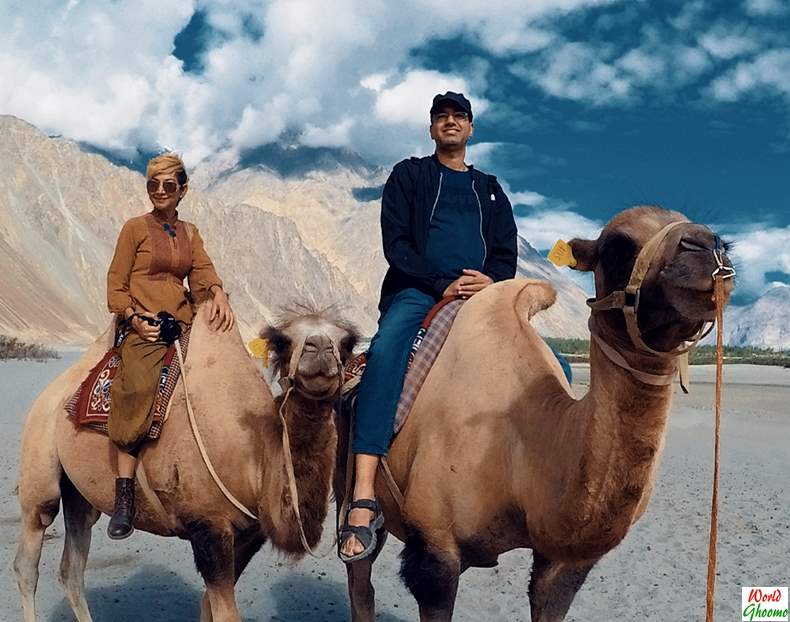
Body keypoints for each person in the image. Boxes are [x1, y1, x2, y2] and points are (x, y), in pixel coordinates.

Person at [339, 92, 519, 561]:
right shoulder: (410, 176)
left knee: (545, 364)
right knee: (385, 355)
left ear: (472, 129)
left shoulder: (492, 190)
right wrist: (440, 284)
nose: (451, 122)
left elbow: (505, 255)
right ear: (432, 129)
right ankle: (362, 493)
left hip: (482, 295)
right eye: (442, 117)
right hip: (418, 291)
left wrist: (491, 281)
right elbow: (396, 244)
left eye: (459, 116)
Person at [105, 153, 235, 539]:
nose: (160, 192)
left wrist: (216, 292)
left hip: (182, 322)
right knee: (139, 385)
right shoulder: (134, 229)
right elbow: (116, 283)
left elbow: (202, 273)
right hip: (142, 324)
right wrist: (132, 318)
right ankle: (125, 494)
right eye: (153, 185)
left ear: (183, 190)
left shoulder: (191, 233)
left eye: (168, 185)